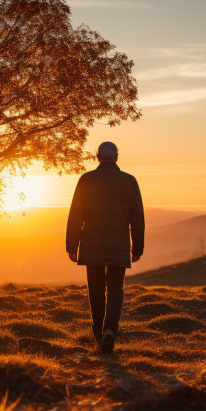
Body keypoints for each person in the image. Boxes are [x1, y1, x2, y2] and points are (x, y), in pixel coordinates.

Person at [66, 141, 145, 354]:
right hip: (119, 243)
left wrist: (72, 245)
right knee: (116, 288)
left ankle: (99, 333)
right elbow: (137, 217)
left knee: (96, 289)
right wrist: (137, 247)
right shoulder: (129, 181)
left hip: (92, 243)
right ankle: (110, 329)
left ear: (97, 156)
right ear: (116, 157)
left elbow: (75, 215)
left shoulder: (86, 180)